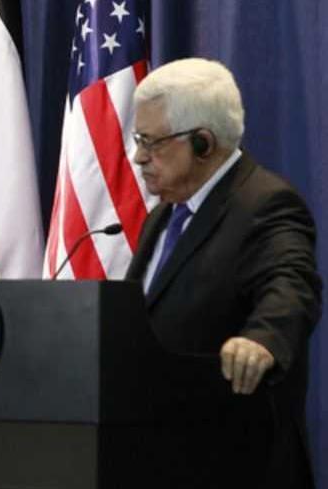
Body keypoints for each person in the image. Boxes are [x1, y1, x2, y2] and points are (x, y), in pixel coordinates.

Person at [125, 58, 321, 488]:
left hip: (236, 463)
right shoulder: (162, 216)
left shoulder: (267, 205)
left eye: (151, 142)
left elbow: (291, 283)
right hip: (156, 456)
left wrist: (262, 340)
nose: (139, 157)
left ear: (203, 143)